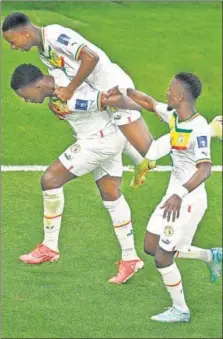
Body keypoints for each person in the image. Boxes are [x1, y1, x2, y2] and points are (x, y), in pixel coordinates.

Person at [10, 63, 149, 284]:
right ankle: (130, 259)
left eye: (24, 95)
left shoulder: (71, 97)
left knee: (50, 179)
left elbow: (109, 100)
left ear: (36, 85)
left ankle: (49, 246)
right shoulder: (58, 78)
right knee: (111, 194)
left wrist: (152, 106)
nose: (25, 100)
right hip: (110, 135)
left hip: (98, 143)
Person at [106, 72, 222, 322]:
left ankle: (181, 310)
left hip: (187, 200)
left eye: (170, 89)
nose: (166, 92)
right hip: (173, 196)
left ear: (180, 97)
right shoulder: (174, 115)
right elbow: (148, 103)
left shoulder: (199, 128)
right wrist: (124, 91)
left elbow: (205, 169)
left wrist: (179, 194)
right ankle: (212, 256)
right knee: (151, 246)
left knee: (163, 256)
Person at [2, 12, 157, 188]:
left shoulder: (54, 36)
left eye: (12, 42)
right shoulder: (44, 53)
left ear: (25, 34)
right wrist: (57, 102)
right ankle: (145, 160)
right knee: (117, 132)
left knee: (150, 150)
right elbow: (60, 78)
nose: (13, 47)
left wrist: (70, 89)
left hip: (111, 85)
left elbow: (91, 57)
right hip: (96, 91)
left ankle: (171, 137)